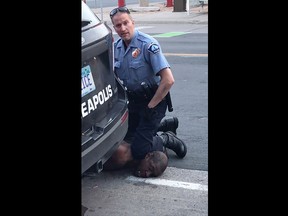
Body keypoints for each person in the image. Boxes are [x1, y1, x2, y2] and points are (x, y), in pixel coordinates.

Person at [107, 7, 187, 177]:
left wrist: (151, 107)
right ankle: (163, 124)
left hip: (154, 101)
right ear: (114, 28)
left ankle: (166, 137)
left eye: (125, 23)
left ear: (133, 22)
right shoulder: (117, 48)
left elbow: (168, 80)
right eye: (117, 25)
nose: (122, 28)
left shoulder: (148, 45)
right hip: (134, 102)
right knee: (126, 137)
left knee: (138, 149)